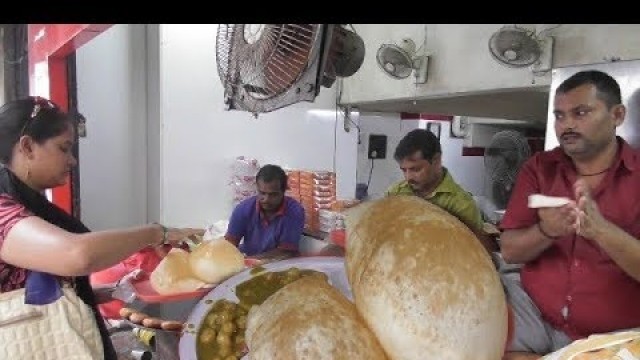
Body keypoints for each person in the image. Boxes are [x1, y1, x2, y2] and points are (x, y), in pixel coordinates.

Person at [0, 96, 203, 360]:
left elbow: (36, 291)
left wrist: (104, 292)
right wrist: (155, 232)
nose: (72, 160)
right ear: (27, 147)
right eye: (64, 148)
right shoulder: (4, 212)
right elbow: (77, 255)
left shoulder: (33, 207)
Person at [500, 70, 640, 359]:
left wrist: (601, 230)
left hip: (612, 340)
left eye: (581, 112)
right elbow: (510, 251)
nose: (567, 125)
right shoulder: (539, 168)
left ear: (617, 115)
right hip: (536, 321)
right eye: (560, 116)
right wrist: (546, 231)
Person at [385, 128, 498, 252]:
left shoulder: (461, 204)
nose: (408, 177)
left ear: (436, 161)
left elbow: (478, 251)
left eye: (415, 169)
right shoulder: (396, 193)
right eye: (404, 170)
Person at [225, 164, 305, 260]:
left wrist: (251, 261)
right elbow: (229, 246)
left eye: (273, 195)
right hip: (249, 260)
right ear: (257, 189)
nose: (266, 199)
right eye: (262, 193)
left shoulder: (294, 211)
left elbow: (286, 252)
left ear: (283, 191)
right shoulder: (243, 209)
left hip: (280, 264)